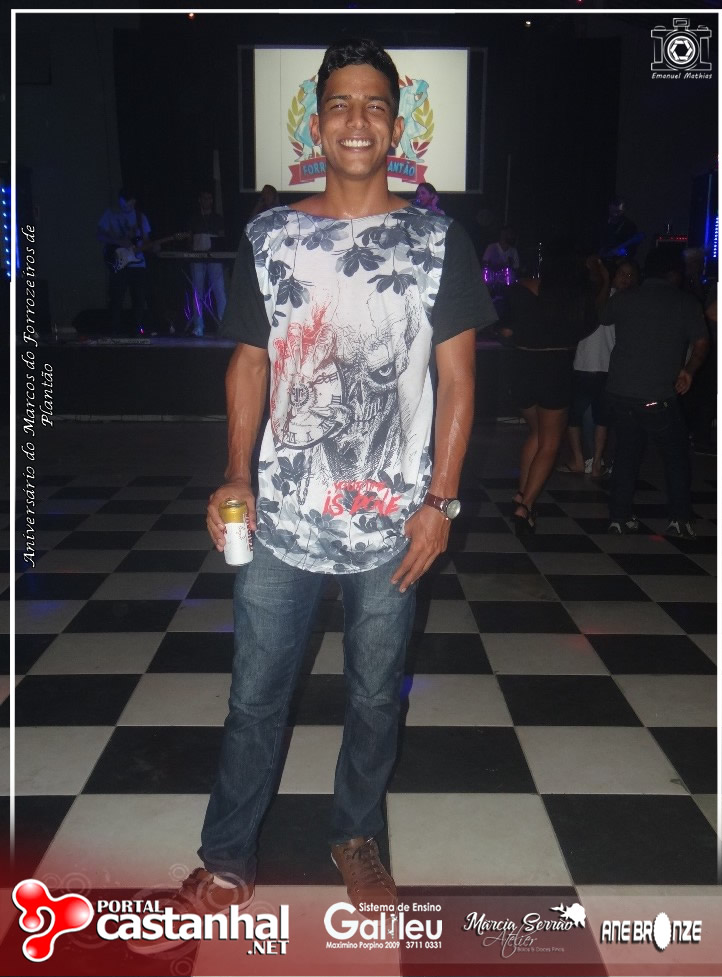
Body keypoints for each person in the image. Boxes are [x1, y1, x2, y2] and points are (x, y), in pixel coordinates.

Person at [131, 38, 492, 951]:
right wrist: (234, 472)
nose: (356, 120)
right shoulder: (269, 237)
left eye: (373, 105)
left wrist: (441, 501)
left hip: (392, 523)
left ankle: (355, 835)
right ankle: (227, 858)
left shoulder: (436, 241)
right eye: (339, 103)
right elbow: (249, 362)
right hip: (284, 520)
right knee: (255, 696)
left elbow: (457, 381)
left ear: (396, 127)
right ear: (316, 123)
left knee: (373, 696)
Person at [603, 245, 709, 537]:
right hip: (657, 395)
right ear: (674, 273)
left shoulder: (625, 298)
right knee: (675, 455)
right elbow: (702, 343)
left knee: (626, 452)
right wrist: (689, 370)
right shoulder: (685, 302)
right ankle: (679, 517)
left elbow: (602, 316)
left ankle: (619, 517)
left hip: (620, 392)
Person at [500, 241, 605, 533]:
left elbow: (505, 328)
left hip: (522, 369)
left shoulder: (521, 288)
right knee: (550, 442)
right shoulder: (575, 299)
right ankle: (525, 506)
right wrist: (602, 276)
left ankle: (521, 494)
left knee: (536, 433)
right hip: (554, 370)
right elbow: (592, 320)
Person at [563, 259, 640, 478]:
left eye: (630, 275)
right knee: (579, 417)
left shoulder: (627, 302)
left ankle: (593, 462)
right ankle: (585, 461)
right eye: (622, 274)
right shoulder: (596, 297)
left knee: (598, 417)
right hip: (585, 365)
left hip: (605, 368)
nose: (626, 279)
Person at [96, 188, 151, 336]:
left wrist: (151, 246)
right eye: (123, 203)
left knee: (139, 298)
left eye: (129, 204)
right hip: (118, 263)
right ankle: (114, 330)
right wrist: (119, 242)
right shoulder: (110, 214)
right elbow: (100, 235)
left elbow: (146, 239)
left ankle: (138, 330)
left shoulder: (140, 217)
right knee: (116, 298)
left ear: (134, 202)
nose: (126, 206)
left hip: (138, 264)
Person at [189, 188, 227, 337]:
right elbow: (189, 238)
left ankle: (223, 325)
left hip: (214, 257)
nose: (208, 201)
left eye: (210, 198)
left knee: (219, 290)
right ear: (200, 200)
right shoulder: (194, 218)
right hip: (197, 257)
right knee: (197, 292)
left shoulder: (217, 218)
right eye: (205, 198)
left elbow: (222, 238)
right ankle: (198, 326)